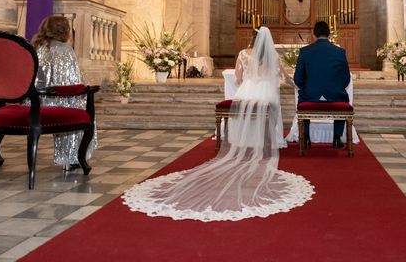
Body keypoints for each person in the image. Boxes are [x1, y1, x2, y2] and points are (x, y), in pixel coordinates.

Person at [122, 26, 313, 222]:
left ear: (252, 39)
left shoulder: (243, 54)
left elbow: (238, 79)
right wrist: (297, 85)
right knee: (269, 109)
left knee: (245, 108)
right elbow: (284, 78)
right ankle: (264, 141)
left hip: (247, 93)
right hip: (267, 95)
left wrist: (248, 86)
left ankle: (244, 138)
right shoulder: (273, 56)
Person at [32, 15, 96, 170]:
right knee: (81, 105)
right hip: (60, 99)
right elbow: (73, 81)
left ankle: (67, 156)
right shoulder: (66, 50)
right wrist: (87, 88)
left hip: (37, 101)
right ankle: (72, 158)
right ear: (66, 31)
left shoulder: (37, 48)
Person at [294, 20, 351, 148]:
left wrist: (307, 87)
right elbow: (346, 79)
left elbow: (298, 79)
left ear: (314, 34)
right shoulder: (340, 52)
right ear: (329, 34)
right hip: (335, 95)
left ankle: (306, 138)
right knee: (343, 97)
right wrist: (336, 87)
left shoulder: (305, 52)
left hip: (310, 95)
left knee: (302, 96)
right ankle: (337, 138)